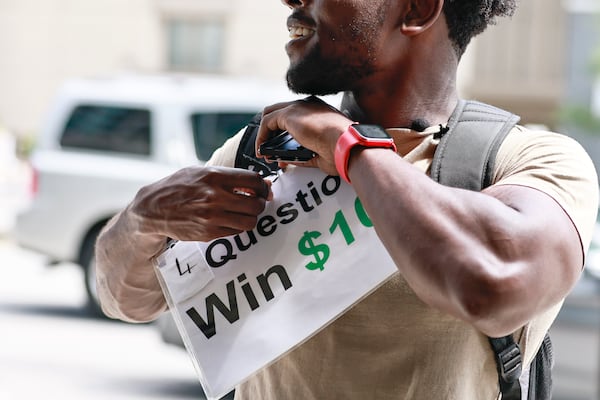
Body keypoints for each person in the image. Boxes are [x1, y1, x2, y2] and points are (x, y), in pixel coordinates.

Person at [95, 0, 599, 399]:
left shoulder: (532, 160)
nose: (290, 0)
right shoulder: (266, 151)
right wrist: (143, 219)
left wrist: (351, 147)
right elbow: (125, 298)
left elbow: (491, 285)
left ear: (418, 8)